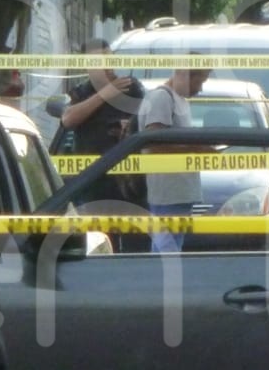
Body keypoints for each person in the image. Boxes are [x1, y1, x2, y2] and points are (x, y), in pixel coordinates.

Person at [58, 39, 147, 218]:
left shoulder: (130, 88)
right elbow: (68, 120)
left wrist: (129, 126)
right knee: (97, 236)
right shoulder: (81, 92)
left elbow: (147, 124)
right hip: (91, 179)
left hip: (126, 180)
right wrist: (105, 94)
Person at [136, 66, 211, 253]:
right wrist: (196, 149)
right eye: (199, 82)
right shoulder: (161, 98)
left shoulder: (179, 100)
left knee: (171, 245)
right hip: (167, 192)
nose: (200, 89)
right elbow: (154, 143)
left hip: (180, 191)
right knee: (166, 248)